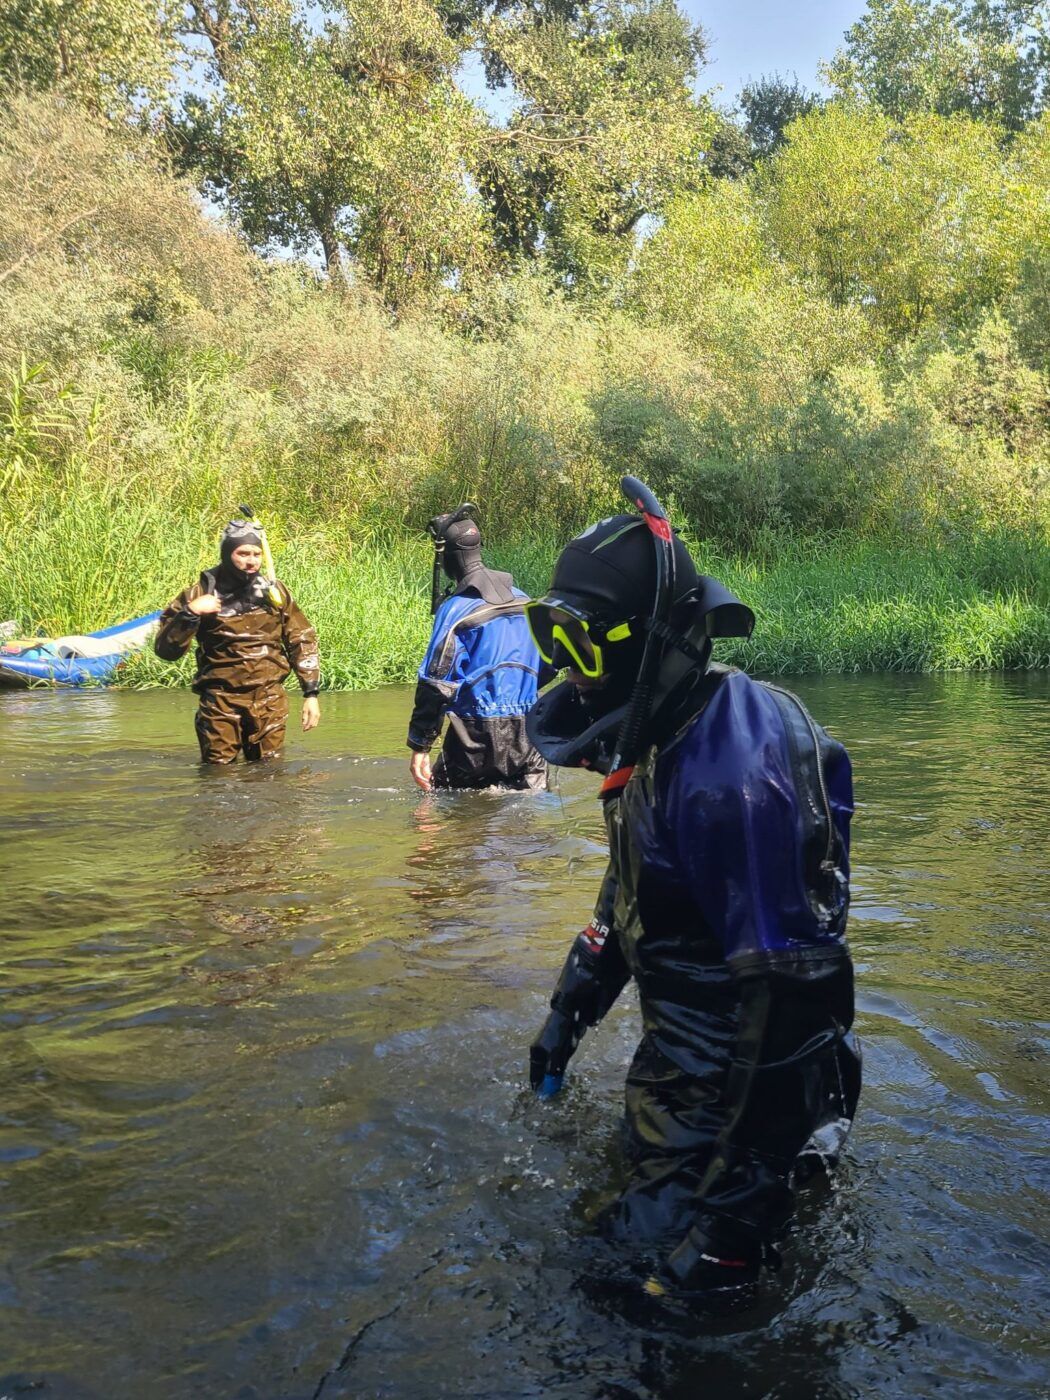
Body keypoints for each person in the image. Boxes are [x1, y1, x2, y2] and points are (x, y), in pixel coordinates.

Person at [523, 478, 860, 1299]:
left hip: (737, 1102)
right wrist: (569, 1011)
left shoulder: (735, 775)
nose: (567, 669)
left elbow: (793, 1003)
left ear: (651, 642)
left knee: (616, 1312)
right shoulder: (663, 740)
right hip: (679, 1071)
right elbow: (630, 893)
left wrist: (735, 1227)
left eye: (583, 645)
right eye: (551, 637)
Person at [407, 506, 550, 791]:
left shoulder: (455, 610)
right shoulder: (525, 600)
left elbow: (436, 682)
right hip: (529, 729)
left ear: (447, 558)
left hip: (474, 734)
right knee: (530, 819)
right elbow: (547, 665)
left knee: (454, 816)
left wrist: (420, 745)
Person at [155, 518, 321, 763]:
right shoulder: (198, 593)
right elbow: (165, 650)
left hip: (269, 699)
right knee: (218, 775)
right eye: (242, 553)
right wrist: (190, 613)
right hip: (221, 702)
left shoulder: (274, 592)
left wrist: (311, 693)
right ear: (226, 553)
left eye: (256, 554)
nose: (251, 561)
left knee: (271, 773)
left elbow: (302, 640)